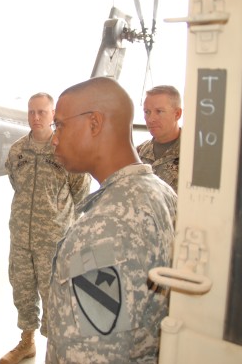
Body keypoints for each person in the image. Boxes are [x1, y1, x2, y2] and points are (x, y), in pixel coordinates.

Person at [46, 77, 176, 363]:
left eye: (60, 125)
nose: (54, 138)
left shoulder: (102, 231)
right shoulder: (161, 191)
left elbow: (94, 354)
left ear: (94, 123)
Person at [0, 93, 91, 364]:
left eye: (42, 112)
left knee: (54, 293)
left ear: (53, 114)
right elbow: (16, 183)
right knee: (22, 287)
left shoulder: (66, 150)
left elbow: (81, 193)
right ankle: (27, 342)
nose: (35, 117)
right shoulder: (18, 150)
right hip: (21, 235)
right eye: (31, 112)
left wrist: (61, 223)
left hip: (54, 239)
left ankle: (56, 347)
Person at [137, 85, 182, 192]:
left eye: (159, 111)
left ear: (177, 114)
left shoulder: (195, 155)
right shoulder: (138, 153)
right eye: (147, 112)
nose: (151, 119)